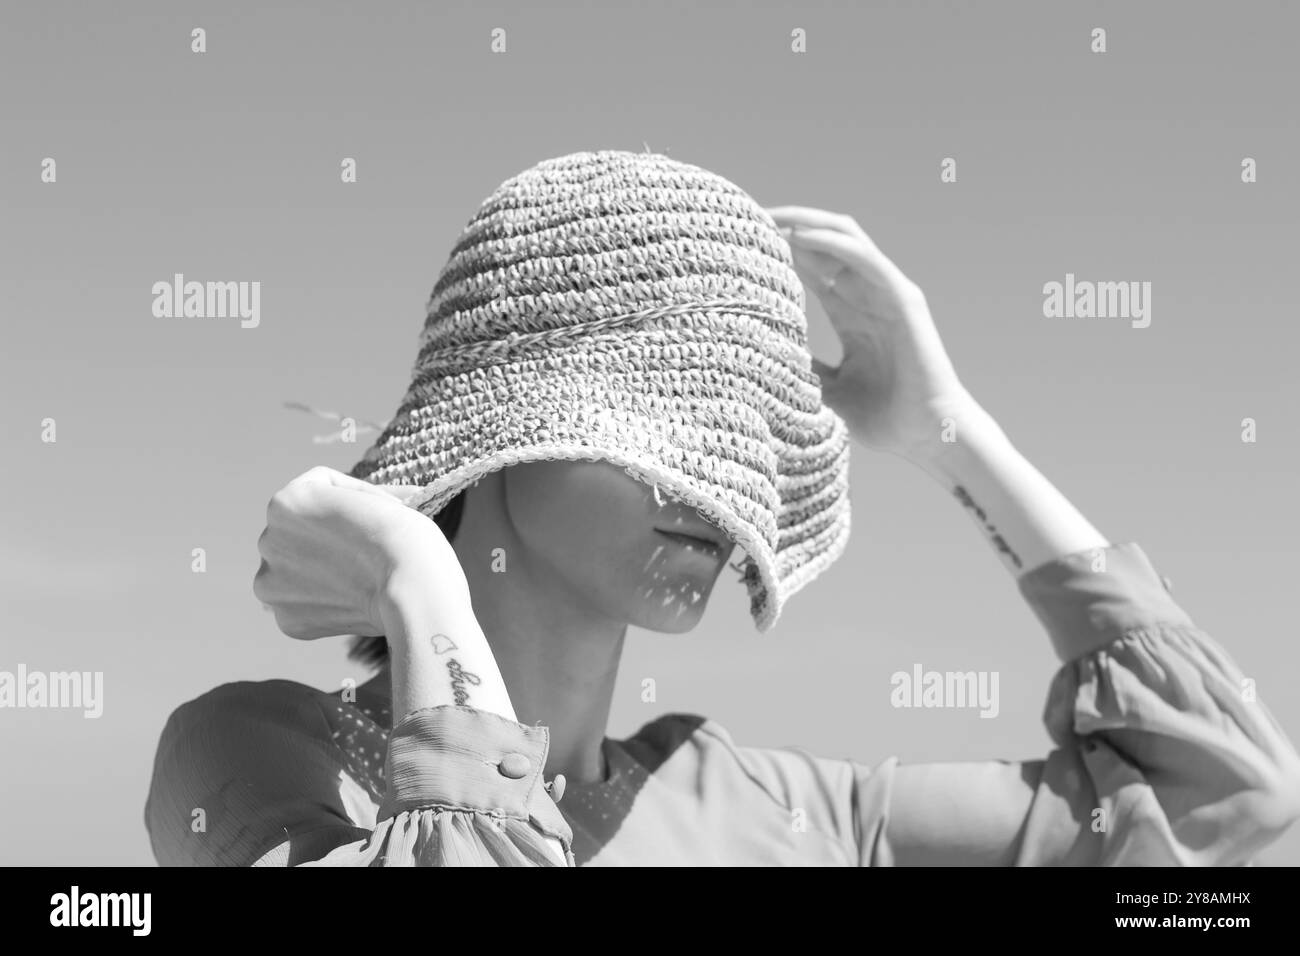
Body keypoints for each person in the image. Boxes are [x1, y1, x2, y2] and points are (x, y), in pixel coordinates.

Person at [144, 150, 1300, 866]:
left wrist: (949, 433)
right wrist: (419, 581)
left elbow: (1232, 812)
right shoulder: (265, 754)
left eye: (741, 434)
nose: (711, 481)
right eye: (662, 418)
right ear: (502, 437)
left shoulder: (770, 801)